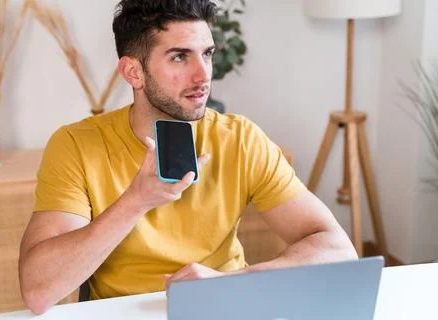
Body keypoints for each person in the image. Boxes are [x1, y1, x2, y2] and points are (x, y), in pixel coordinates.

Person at [18, 0, 357, 315]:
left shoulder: (240, 139)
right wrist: (136, 201)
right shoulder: (76, 145)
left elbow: (338, 251)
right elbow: (38, 291)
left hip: (223, 307)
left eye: (206, 54)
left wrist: (232, 282)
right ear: (133, 72)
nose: (203, 75)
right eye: (180, 57)